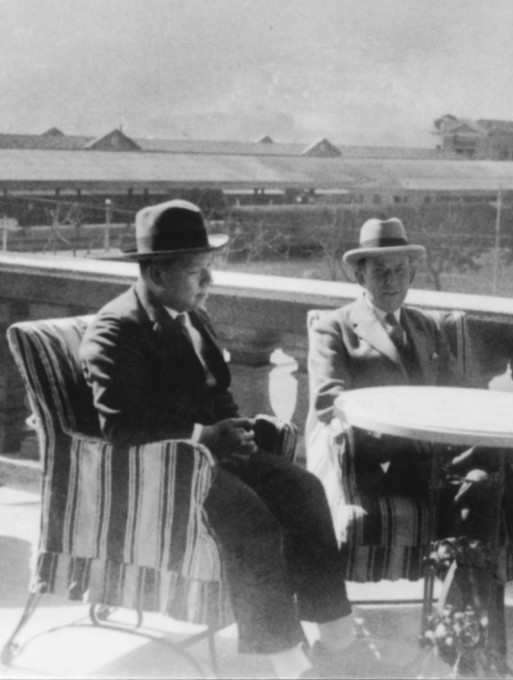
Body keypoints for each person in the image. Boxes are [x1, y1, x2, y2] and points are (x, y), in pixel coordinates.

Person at [79, 200, 354, 679]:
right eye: (196, 272)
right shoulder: (116, 329)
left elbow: (215, 391)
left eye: (209, 270)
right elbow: (120, 424)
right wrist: (202, 435)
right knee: (252, 518)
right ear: (157, 274)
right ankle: (287, 661)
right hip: (162, 473)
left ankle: (338, 637)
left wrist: (238, 427)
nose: (209, 283)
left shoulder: (192, 316)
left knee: (304, 488)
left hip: (212, 457)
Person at [306, 216, 513, 599]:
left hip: (440, 459)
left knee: (482, 484)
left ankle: (468, 623)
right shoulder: (335, 328)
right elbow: (328, 403)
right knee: (497, 457)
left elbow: (462, 398)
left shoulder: (425, 326)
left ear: (411, 275)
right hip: (379, 465)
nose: (391, 281)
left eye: (399, 271)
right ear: (360, 277)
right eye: (379, 272)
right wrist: (403, 433)